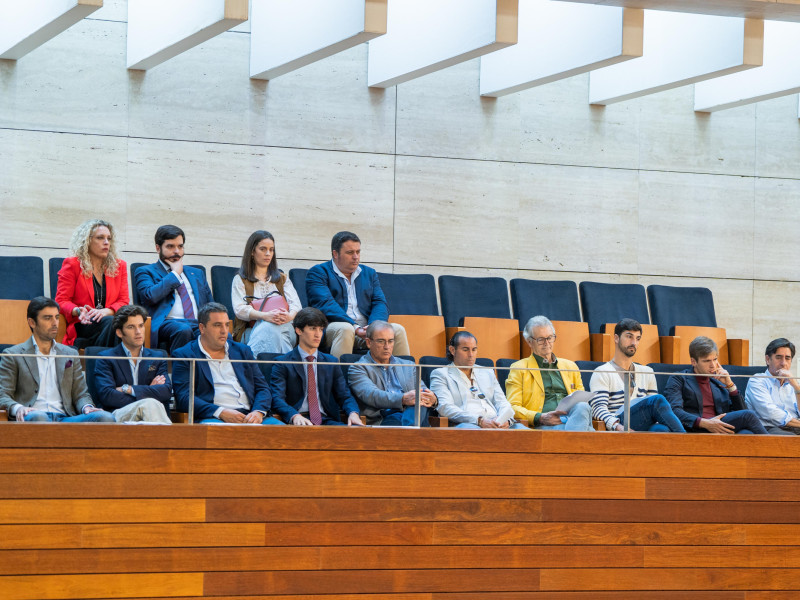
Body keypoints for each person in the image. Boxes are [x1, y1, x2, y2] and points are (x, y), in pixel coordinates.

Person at [0, 297, 114, 422]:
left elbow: (81, 394)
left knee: (105, 417)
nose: (55, 323)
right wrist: (18, 408)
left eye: (57, 317)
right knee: (39, 417)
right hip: (33, 414)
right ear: (32, 322)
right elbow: (3, 395)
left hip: (65, 418)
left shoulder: (70, 354)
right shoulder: (12, 355)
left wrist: (87, 407)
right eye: (48, 318)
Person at [172, 302, 283, 425]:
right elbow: (183, 398)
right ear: (202, 328)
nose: (224, 331)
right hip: (215, 418)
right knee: (221, 435)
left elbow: (262, 388)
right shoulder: (185, 355)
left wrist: (258, 411)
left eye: (226, 325)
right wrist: (221, 412)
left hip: (251, 416)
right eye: (217, 325)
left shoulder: (242, 351)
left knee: (287, 436)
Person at [306, 231, 410, 358]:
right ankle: (339, 376)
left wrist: (373, 327)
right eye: (350, 253)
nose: (356, 257)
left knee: (397, 329)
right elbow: (325, 304)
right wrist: (355, 327)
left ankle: (405, 376)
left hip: (367, 329)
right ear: (335, 254)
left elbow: (379, 303)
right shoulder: (318, 272)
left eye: (358, 252)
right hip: (334, 328)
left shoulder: (369, 273)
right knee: (346, 329)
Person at [269, 307, 363, 426]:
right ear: (299, 330)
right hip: (298, 420)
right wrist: (294, 415)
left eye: (321, 329)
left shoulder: (331, 362)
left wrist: (353, 412)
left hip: (326, 420)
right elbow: (277, 398)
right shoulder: (282, 363)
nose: (318, 334)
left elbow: (344, 395)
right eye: (313, 329)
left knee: (355, 438)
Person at [589, 319, 685, 433]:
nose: (634, 342)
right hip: (618, 422)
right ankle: (687, 442)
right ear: (616, 338)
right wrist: (618, 426)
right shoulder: (602, 371)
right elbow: (597, 408)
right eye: (629, 337)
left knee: (661, 429)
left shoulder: (647, 372)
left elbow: (655, 411)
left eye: (637, 338)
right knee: (658, 399)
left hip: (642, 422)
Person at [134, 225, 213, 354]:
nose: (177, 251)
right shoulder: (145, 271)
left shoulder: (196, 273)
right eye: (170, 246)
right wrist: (175, 275)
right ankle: (181, 372)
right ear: (158, 248)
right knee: (183, 330)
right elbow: (150, 296)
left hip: (198, 323)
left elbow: (210, 304)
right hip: (167, 323)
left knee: (222, 335)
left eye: (180, 246)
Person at [505, 316, 593, 431]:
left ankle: (574, 442)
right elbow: (512, 407)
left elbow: (582, 401)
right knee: (593, 435)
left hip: (572, 419)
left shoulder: (571, 367)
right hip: (544, 425)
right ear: (529, 342)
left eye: (550, 338)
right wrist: (540, 417)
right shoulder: (519, 368)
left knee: (582, 406)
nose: (547, 343)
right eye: (541, 339)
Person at [664, 336, 766, 434]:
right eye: (707, 361)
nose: (712, 365)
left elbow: (742, 411)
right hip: (695, 426)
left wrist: (730, 385)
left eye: (715, 359)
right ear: (693, 362)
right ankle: (776, 449)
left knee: (746, 431)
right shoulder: (678, 378)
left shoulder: (718, 381)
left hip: (719, 425)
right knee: (749, 416)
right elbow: (674, 411)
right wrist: (705, 423)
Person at [429, 331, 527, 429]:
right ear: (452, 350)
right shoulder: (440, 374)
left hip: (496, 423)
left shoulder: (487, 372)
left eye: (474, 349)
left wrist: (506, 420)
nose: (471, 354)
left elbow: (502, 402)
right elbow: (445, 408)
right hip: (468, 424)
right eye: (465, 349)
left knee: (524, 431)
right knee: (472, 430)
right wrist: (479, 420)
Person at [55, 219, 129, 348]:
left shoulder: (119, 266)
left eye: (109, 239)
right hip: (85, 323)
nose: (106, 243)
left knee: (125, 325)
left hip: (109, 320)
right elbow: (61, 301)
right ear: (87, 241)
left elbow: (123, 300)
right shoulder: (73, 265)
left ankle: (98, 361)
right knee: (115, 326)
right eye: (100, 238)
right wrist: (78, 310)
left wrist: (108, 311)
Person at [348, 320, 437, 426]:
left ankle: (407, 431)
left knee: (419, 397)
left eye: (390, 341)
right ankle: (409, 432)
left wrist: (434, 399)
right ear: (368, 342)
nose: (387, 346)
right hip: (383, 418)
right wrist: (403, 399)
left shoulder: (408, 365)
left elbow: (423, 392)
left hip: (410, 413)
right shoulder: (358, 368)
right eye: (381, 341)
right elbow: (372, 395)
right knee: (416, 401)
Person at [94, 305, 173, 424]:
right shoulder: (106, 358)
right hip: (118, 416)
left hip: (149, 417)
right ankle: (169, 440)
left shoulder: (157, 357)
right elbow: (108, 396)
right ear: (119, 333)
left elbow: (165, 392)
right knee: (150, 403)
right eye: (131, 327)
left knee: (149, 406)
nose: (138, 332)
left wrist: (129, 389)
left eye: (141, 326)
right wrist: (149, 391)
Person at [231, 230, 301, 355]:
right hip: (250, 329)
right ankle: (287, 366)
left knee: (273, 328)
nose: (268, 254)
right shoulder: (240, 279)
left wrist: (288, 317)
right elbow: (239, 310)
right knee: (269, 328)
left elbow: (296, 305)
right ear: (252, 252)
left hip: (285, 326)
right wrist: (264, 316)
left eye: (271, 249)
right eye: (263, 249)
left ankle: (251, 366)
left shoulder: (282, 279)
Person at [745, 338, 800, 435]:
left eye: (787, 358)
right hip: (771, 428)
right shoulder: (757, 380)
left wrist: (796, 387)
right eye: (778, 357)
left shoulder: (794, 384)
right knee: (793, 440)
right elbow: (771, 413)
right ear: (768, 359)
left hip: (796, 426)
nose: (783, 363)